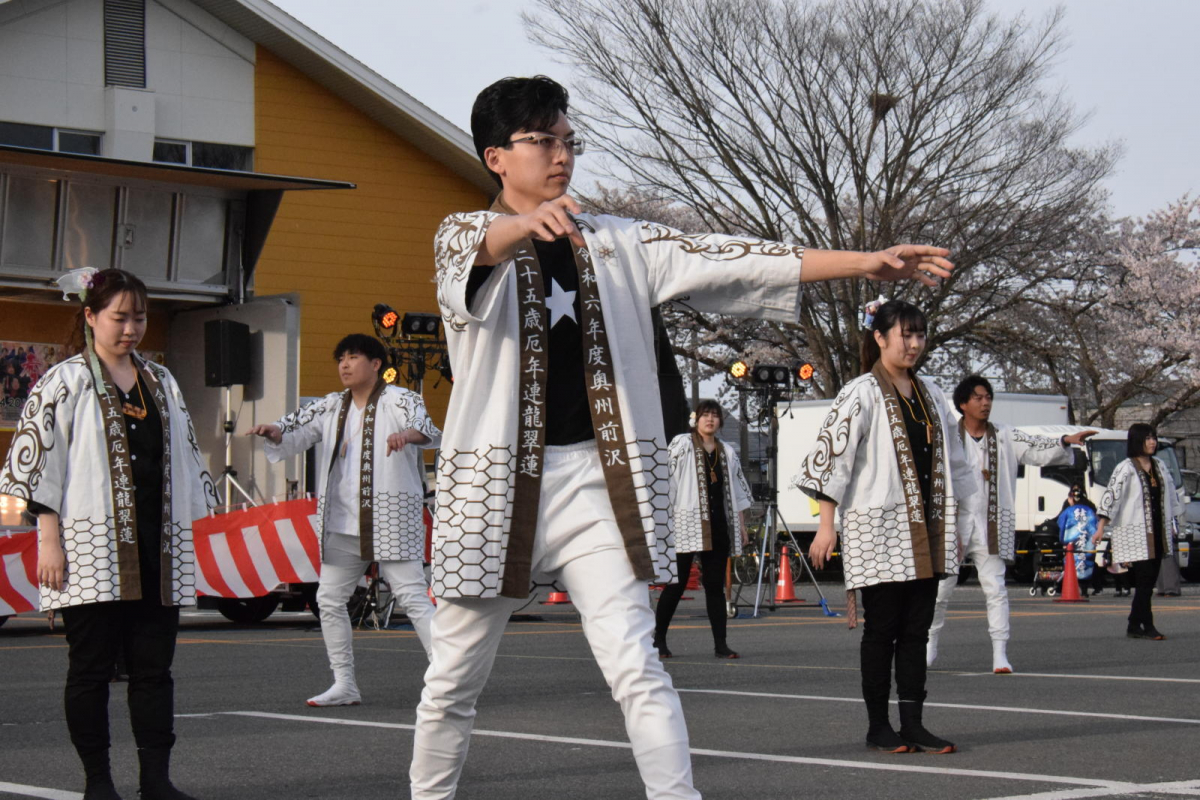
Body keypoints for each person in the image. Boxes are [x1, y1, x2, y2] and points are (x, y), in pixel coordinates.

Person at [412, 75, 955, 798]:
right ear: (496, 158)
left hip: (599, 489)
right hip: (493, 492)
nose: (561, 155)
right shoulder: (462, 234)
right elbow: (476, 250)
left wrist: (864, 262)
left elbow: (734, 257)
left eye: (569, 141)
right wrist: (522, 226)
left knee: (637, 664)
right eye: (541, 141)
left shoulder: (619, 242)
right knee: (451, 679)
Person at [0, 268, 217, 800]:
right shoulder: (65, 380)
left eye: (140, 318)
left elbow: (186, 458)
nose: (131, 329)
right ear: (90, 316)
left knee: (154, 671)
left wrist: (195, 529)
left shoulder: (160, 380)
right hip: (90, 544)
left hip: (154, 545)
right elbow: (38, 464)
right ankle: (98, 780)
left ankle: (156, 780)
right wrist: (47, 538)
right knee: (90, 668)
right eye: (119, 317)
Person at [798, 300, 978, 755]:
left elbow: (956, 462)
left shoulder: (933, 393)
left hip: (928, 529)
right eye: (906, 334)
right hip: (876, 528)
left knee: (918, 630)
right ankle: (879, 725)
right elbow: (831, 461)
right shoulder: (859, 392)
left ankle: (913, 722)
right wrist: (826, 526)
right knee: (883, 630)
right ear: (880, 337)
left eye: (920, 335)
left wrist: (958, 523)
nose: (915, 343)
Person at [247, 333, 440, 706]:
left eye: (353, 357)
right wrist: (273, 432)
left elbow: (426, 429)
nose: (345, 365)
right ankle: (344, 683)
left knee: (413, 596)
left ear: (376, 364)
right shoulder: (331, 405)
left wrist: (406, 436)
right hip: (342, 521)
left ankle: (446, 678)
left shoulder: (402, 399)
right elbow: (293, 430)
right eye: (341, 359)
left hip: (391, 516)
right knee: (330, 599)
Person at [926, 376, 1094, 673]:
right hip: (955, 523)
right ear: (963, 404)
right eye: (978, 397)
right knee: (941, 590)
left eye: (988, 397)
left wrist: (1065, 440)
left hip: (992, 521)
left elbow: (1035, 446)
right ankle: (930, 647)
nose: (985, 402)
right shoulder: (949, 437)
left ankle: (1000, 653)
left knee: (996, 588)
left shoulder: (1004, 434)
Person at [654, 400, 752, 659]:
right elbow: (666, 480)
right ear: (695, 419)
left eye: (715, 416)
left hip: (719, 524)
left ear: (720, 421)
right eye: (705, 415)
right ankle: (658, 640)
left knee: (714, 586)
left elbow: (739, 492)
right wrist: (663, 518)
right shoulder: (682, 444)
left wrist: (740, 525)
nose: (710, 420)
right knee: (676, 583)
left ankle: (721, 644)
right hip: (685, 522)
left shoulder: (727, 451)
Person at [1091, 424, 1183, 640]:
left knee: (1148, 582)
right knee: (1144, 581)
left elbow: (1171, 496)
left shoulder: (1159, 465)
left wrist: (1175, 523)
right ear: (1136, 441)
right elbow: (1112, 497)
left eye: (1154, 438)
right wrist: (1101, 527)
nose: (1152, 442)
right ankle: (1148, 625)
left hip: (1158, 532)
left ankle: (1133, 623)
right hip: (1136, 532)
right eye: (1147, 438)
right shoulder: (1126, 468)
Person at [1057, 485, 1099, 595]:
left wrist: (1062, 539)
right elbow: (1096, 523)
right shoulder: (1090, 508)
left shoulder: (1068, 509)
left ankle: (1069, 588)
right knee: (1086, 563)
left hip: (1072, 542)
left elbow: (1061, 523)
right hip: (1087, 542)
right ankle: (1085, 590)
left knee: (1072, 564)